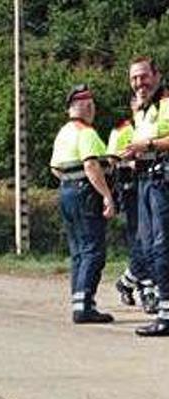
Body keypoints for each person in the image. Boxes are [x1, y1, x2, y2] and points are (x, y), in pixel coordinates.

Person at [49, 84, 115, 324]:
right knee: (93, 249)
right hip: (86, 193)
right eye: (91, 104)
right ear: (88, 106)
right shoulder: (86, 133)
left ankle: (79, 301)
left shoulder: (63, 133)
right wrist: (106, 194)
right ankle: (85, 305)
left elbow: (55, 168)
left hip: (66, 191)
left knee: (78, 250)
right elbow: (91, 165)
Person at [120, 57, 169, 336]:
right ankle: (163, 311)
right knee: (151, 248)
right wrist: (134, 152)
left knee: (162, 248)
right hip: (147, 178)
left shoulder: (166, 102)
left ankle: (166, 315)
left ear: (157, 75)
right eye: (134, 79)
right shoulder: (142, 109)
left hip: (163, 180)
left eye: (144, 76)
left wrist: (146, 144)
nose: (139, 83)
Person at [107, 97, 157, 314]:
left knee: (154, 239)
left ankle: (126, 282)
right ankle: (147, 292)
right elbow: (111, 159)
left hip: (154, 184)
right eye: (138, 102)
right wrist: (131, 161)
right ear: (132, 105)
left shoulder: (154, 124)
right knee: (141, 239)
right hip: (131, 188)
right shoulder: (122, 129)